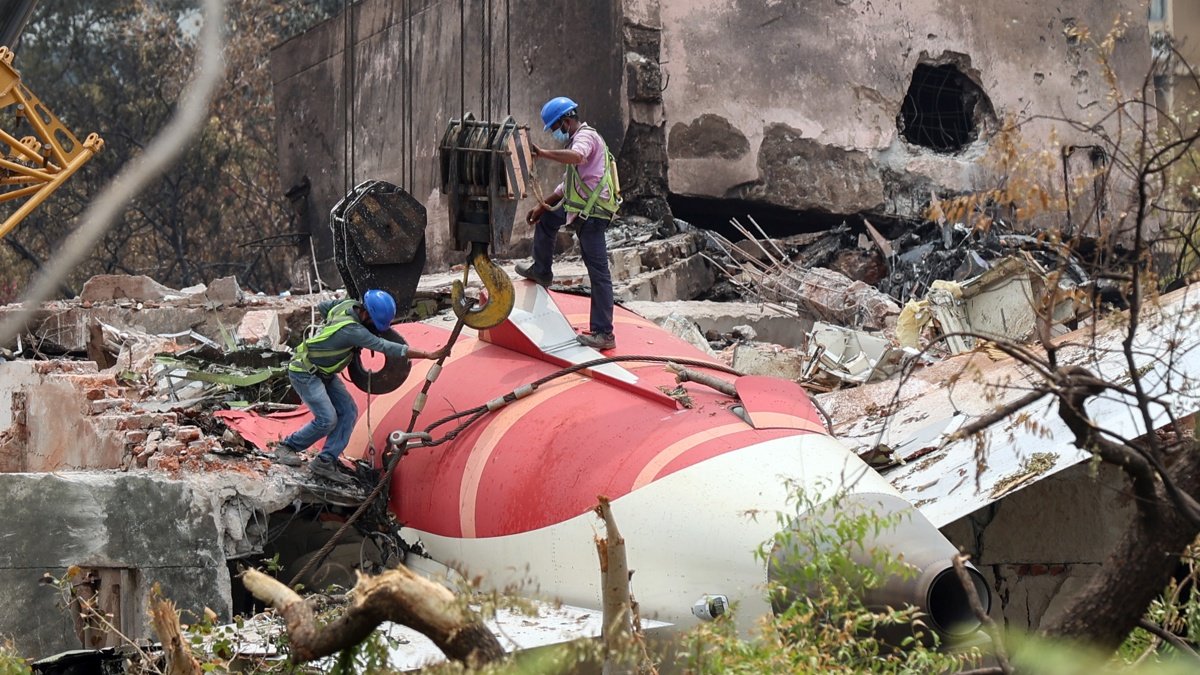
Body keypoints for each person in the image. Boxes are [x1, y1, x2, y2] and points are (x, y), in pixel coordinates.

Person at [272, 289, 446, 484]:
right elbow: (385, 346)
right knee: (327, 419)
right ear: (366, 314)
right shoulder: (353, 331)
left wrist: (328, 332)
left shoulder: (346, 306)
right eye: (374, 323)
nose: (374, 327)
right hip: (304, 372)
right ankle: (287, 447)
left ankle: (325, 461)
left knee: (349, 411)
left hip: (323, 372)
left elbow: (323, 307)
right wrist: (426, 354)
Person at [516, 96, 622, 350]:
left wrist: (542, 153)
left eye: (555, 128)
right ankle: (541, 271)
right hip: (580, 206)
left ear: (566, 121)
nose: (555, 134)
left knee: (598, 274)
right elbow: (569, 184)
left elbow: (576, 157)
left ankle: (604, 333)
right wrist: (544, 205)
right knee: (547, 219)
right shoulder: (578, 139)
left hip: (592, 213)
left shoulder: (586, 138)